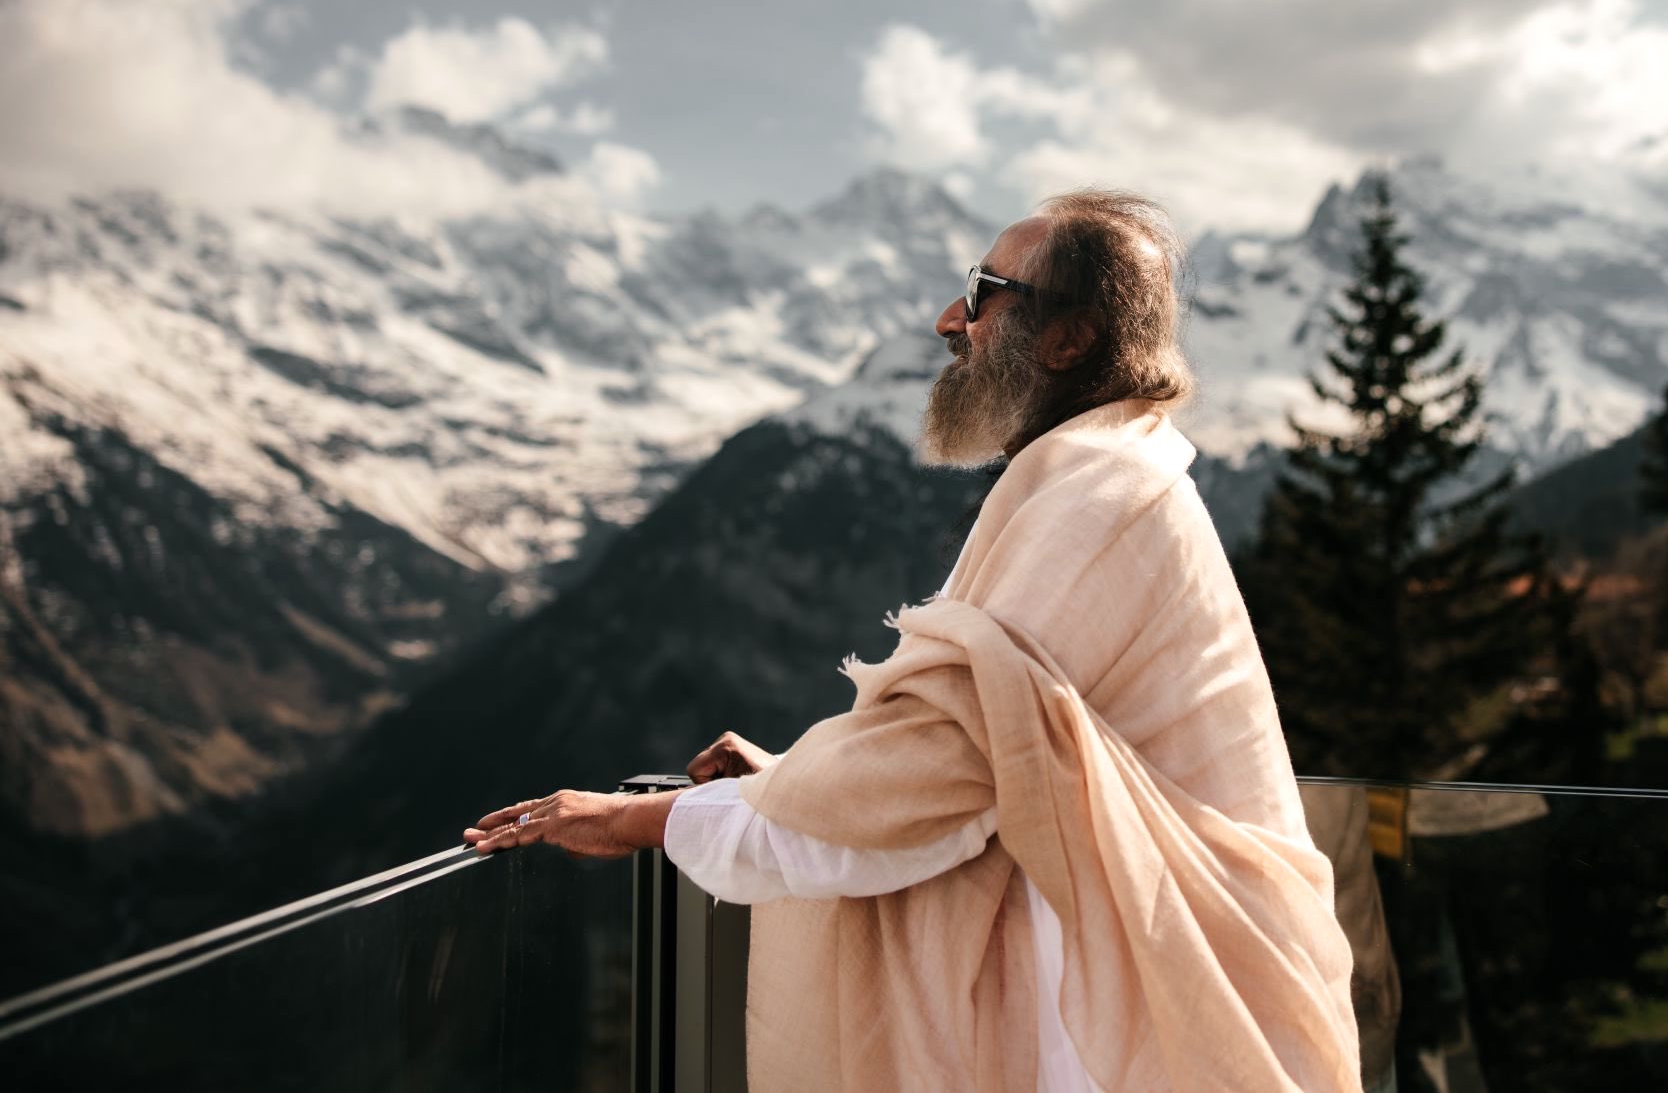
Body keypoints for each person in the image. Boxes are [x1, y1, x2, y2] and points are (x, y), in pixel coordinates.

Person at [465, 189, 1399, 1092]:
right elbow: (991, 753)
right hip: (1144, 989)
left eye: (987, 293)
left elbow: (938, 784)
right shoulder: (1100, 472)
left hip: (1147, 1029)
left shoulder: (1096, 499)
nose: (952, 318)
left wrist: (637, 820)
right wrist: (799, 782)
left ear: (1070, 337)